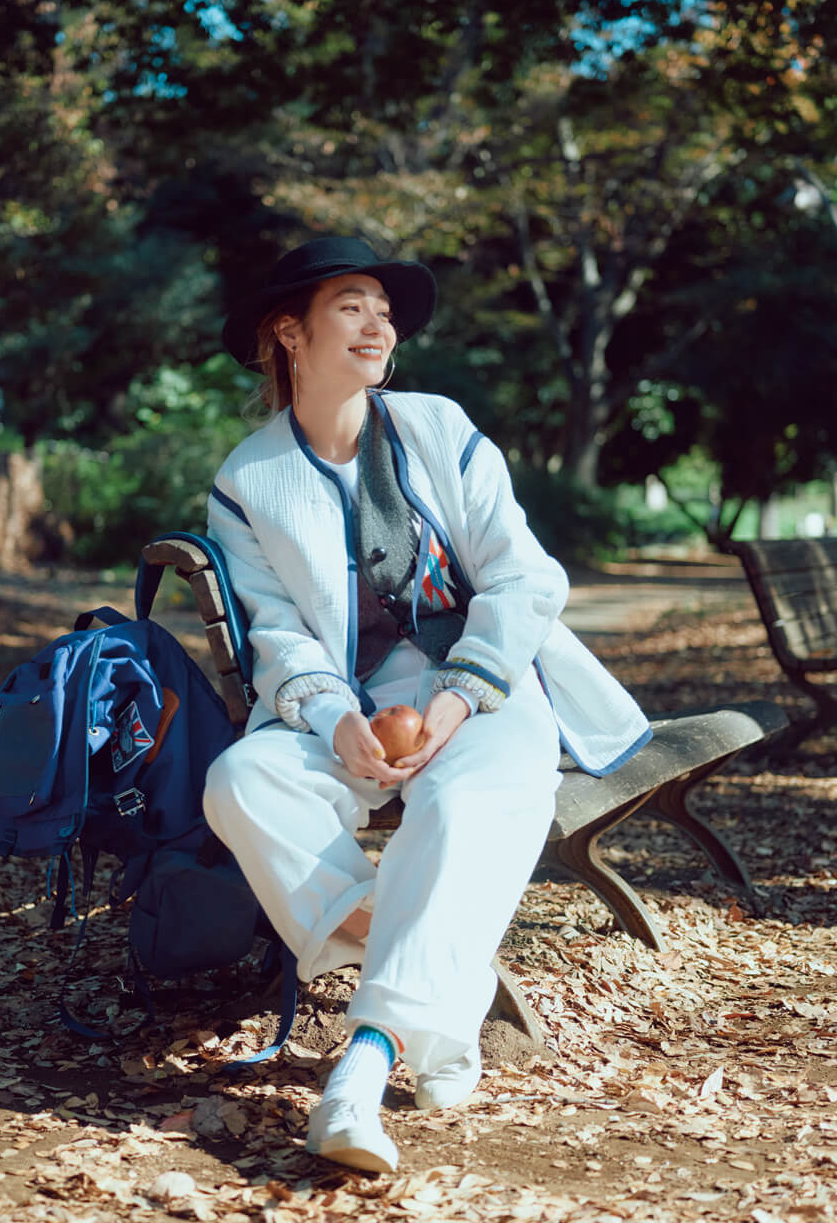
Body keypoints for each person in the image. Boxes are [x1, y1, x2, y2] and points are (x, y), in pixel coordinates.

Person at [203, 236, 651, 1173]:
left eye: (385, 308)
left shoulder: (439, 428)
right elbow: (277, 635)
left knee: (462, 804)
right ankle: (445, 973)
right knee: (243, 781)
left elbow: (525, 578)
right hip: (349, 705)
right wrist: (334, 720)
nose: (380, 323)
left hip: (486, 687)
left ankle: (361, 1073)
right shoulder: (247, 481)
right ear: (290, 331)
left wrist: (458, 700)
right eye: (352, 305)